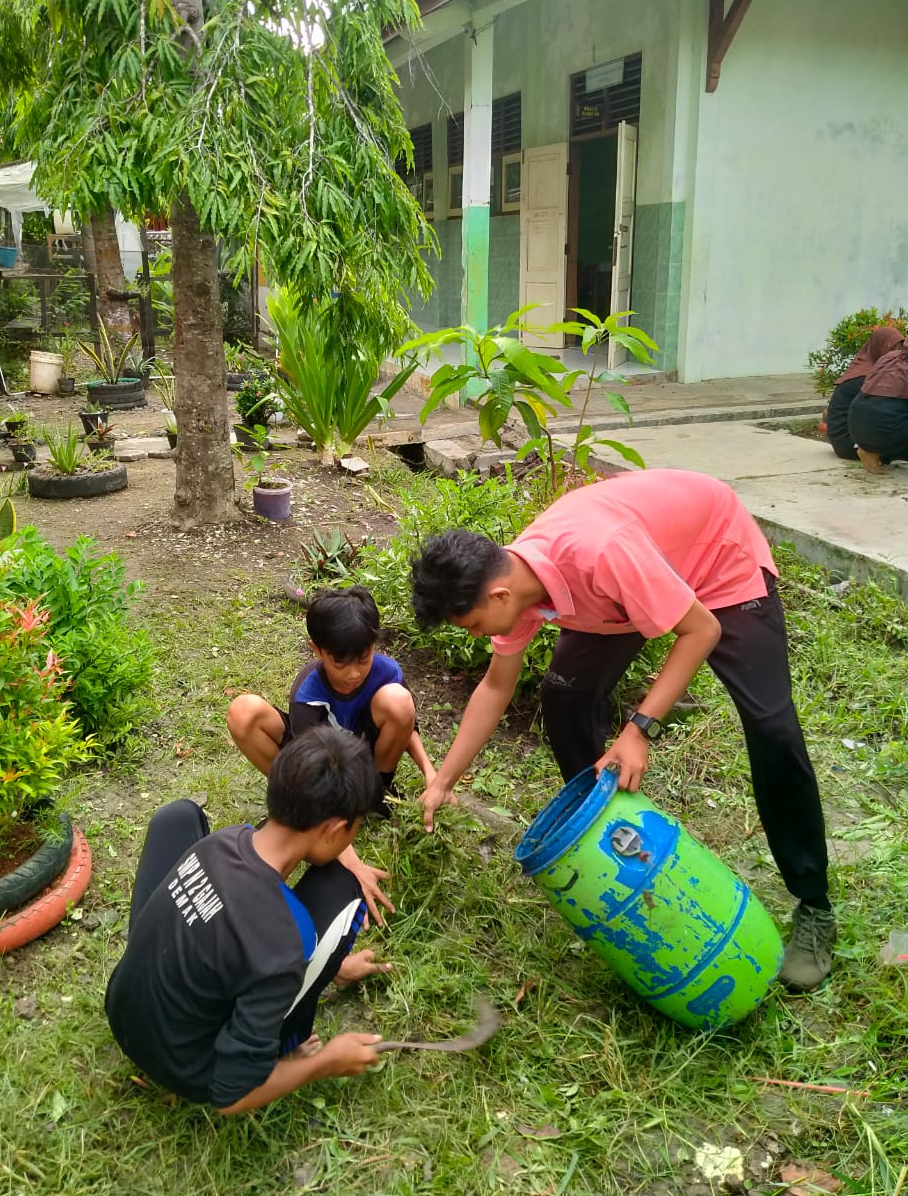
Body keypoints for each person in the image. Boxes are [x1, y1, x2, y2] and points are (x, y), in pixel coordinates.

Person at [410, 469, 834, 991]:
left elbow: (701, 629)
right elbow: (495, 689)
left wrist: (639, 728)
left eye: (472, 624)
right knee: (564, 697)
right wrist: (444, 781)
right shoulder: (517, 587)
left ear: (497, 594)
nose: (476, 634)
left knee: (772, 727)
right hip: (625, 587)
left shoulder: (600, 553)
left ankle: (814, 904)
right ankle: (613, 844)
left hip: (713, 559)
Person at [105, 727, 390, 1115]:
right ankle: (286, 1049)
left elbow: (239, 924)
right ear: (334, 829)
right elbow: (231, 1098)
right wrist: (325, 1063)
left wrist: (335, 967)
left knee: (180, 818)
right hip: (189, 1071)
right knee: (344, 885)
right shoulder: (288, 940)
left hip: (122, 1012)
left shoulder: (222, 841)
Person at [227, 586, 434, 923]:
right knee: (242, 712)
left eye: (363, 659)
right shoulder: (307, 694)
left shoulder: (387, 672)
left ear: (374, 646)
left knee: (398, 701)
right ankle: (292, 800)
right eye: (340, 662)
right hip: (318, 764)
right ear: (317, 650)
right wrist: (350, 861)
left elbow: (408, 724)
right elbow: (314, 773)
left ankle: (372, 798)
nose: (353, 673)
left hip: (365, 763)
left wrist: (430, 773)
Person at [825, 325, 905, 460]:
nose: (896, 354)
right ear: (878, 347)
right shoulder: (868, 378)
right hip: (850, 443)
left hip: (846, 439)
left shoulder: (864, 370)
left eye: (900, 349)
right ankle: (869, 452)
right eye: (892, 349)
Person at [847, 341, 908, 474]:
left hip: (857, 426)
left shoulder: (890, 357)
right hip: (884, 430)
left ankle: (870, 452)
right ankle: (874, 451)